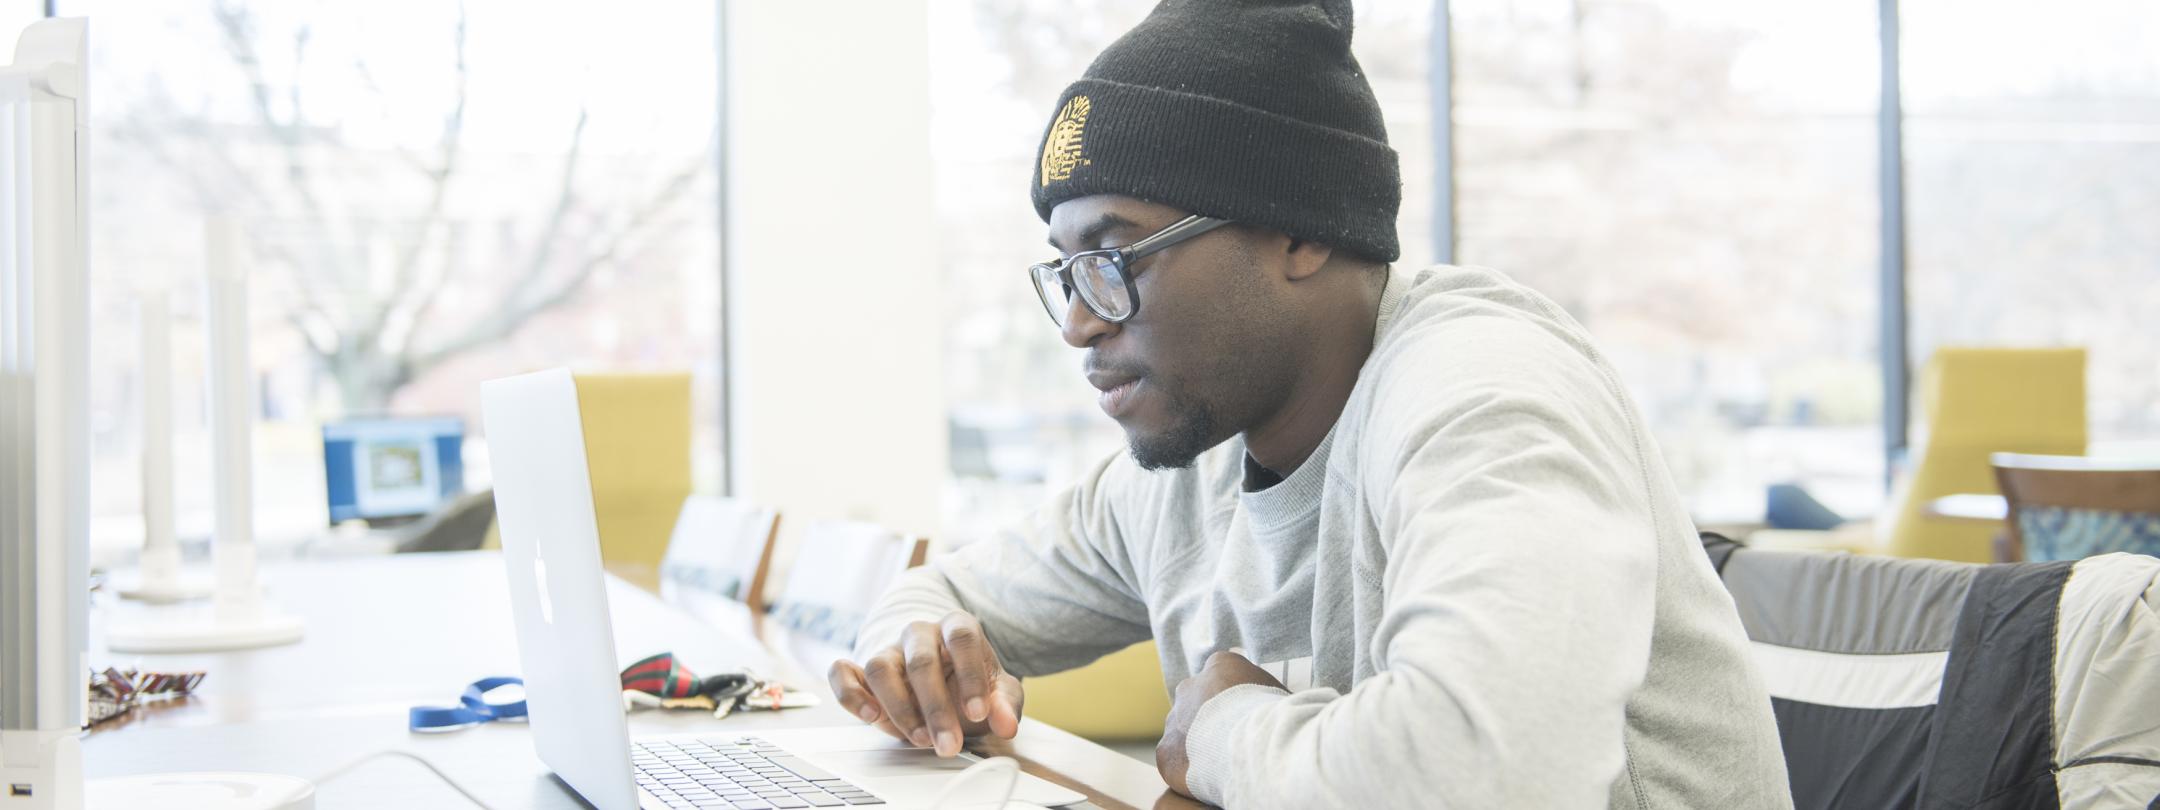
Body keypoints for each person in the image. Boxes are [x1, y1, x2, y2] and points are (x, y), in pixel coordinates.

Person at [828, 0, 1793, 806]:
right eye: (1066, 275)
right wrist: (909, 652)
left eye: (1114, 262)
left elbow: (1491, 770)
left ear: (1298, 232)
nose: (1080, 324)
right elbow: (940, 595)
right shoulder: (1193, 455)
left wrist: (1225, 728)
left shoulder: (1482, 388)